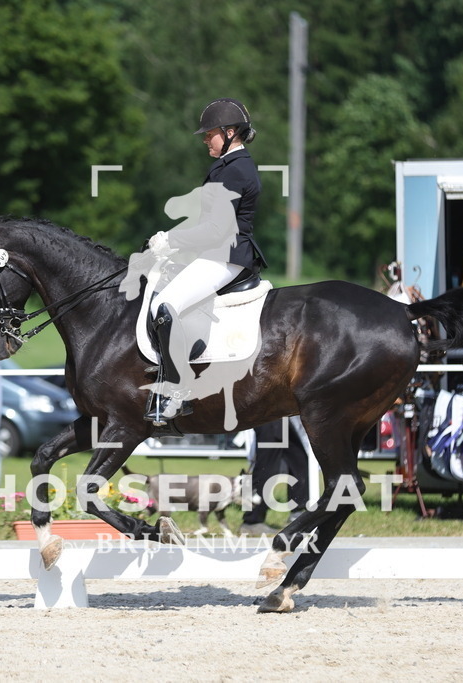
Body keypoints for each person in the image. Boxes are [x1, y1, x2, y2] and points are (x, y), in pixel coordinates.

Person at [143, 98, 267, 426]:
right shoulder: (228, 165)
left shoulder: (237, 169)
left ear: (229, 133)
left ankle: (175, 392)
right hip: (216, 252)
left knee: (165, 305)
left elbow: (216, 228)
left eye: (209, 133)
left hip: (227, 255)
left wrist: (171, 240)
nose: (204, 139)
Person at [241, 418, 310, 535]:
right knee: (267, 466)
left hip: (281, 414)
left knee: (299, 460)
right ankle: (252, 520)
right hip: (267, 413)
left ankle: (298, 514)